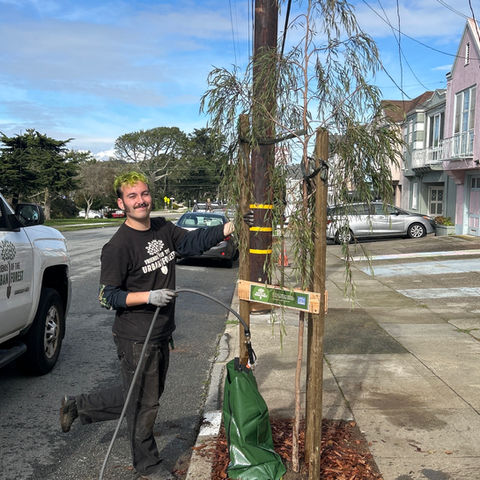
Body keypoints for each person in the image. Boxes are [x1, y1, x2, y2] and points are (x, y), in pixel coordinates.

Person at [59, 171, 238, 480]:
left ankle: (78, 407)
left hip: (161, 330)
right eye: (132, 196)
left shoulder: (162, 228)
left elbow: (192, 242)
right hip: (136, 336)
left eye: (144, 194)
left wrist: (229, 227)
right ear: (121, 203)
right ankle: (148, 465)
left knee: (141, 394)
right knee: (145, 403)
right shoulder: (118, 246)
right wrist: (149, 296)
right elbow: (107, 296)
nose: (140, 200)